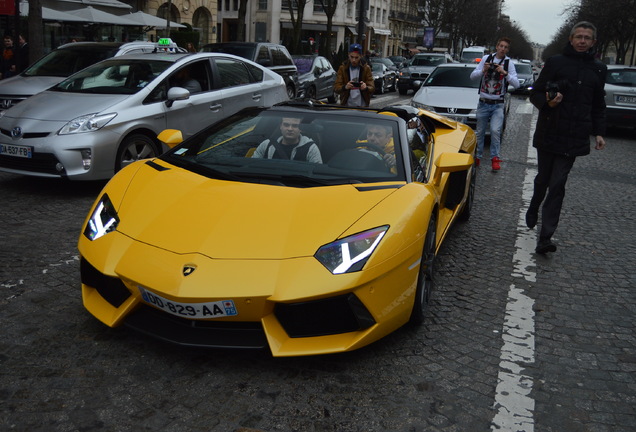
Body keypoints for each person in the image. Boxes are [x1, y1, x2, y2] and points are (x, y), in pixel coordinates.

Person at [526, 21, 607, 254]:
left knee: (558, 184)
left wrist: (599, 132)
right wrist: (548, 103)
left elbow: (598, 103)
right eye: (579, 36)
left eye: (587, 38)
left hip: (575, 136)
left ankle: (545, 237)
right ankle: (534, 205)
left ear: (593, 42)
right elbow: (536, 93)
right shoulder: (555, 62)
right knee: (543, 179)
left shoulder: (599, 69)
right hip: (550, 130)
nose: (582, 41)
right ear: (571, 39)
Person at [469, 37, 519, 171]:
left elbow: (517, 83)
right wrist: (483, 70)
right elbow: (472, 76)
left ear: (507, 50)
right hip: (484, 102)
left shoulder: (509, 63)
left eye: (506, 47)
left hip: (498, 104)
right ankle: (477, 156)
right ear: (497, 46)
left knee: (495, 131)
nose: (503, 49)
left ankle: (495, 158)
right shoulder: (486, 59)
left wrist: (505, 73)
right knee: (479, 132)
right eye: (501, 46)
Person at [252, 117, 322, 163]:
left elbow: (317, 172)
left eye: (295, 126)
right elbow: (252, 165)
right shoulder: (267, 144)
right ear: (280, 126)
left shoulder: (310, 148)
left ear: (301, 128)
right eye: (286, 125)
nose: (290, 129)